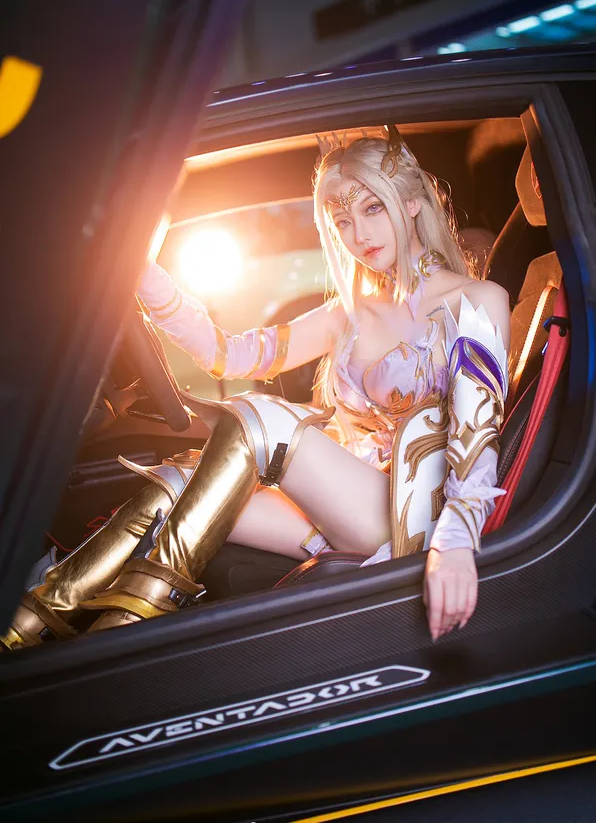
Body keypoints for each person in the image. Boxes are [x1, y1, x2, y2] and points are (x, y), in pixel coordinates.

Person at [1, 128, 509, 650]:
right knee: (178, 486)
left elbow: (477, 443)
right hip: (339, 505)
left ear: (412, 202)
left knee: (264, 418)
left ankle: (116, 635)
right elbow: (231, 355)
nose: (359, 234)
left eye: (373, 208)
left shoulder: (476, 301)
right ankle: (25, 626)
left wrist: (454, 546)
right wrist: (141, 273)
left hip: (408, 520)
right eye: (342, 221)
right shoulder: (350, 312)